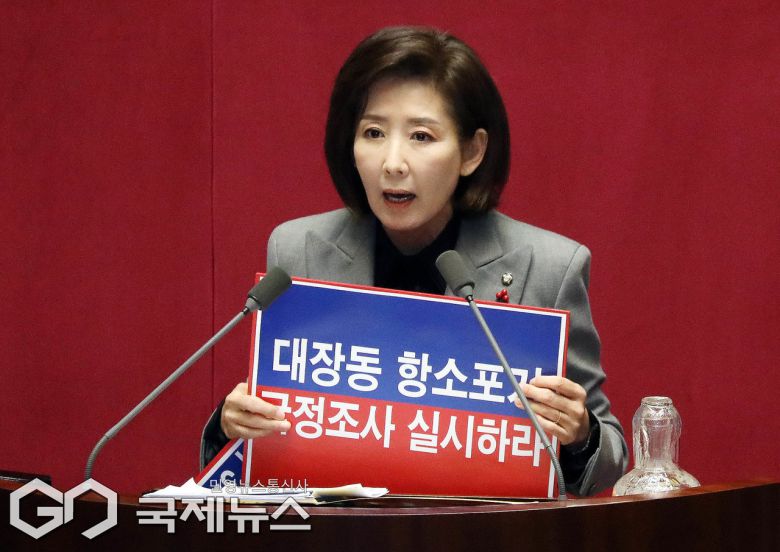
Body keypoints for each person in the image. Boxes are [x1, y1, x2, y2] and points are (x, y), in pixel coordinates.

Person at [201, 26, 628, 496]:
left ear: (471, 151)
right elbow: (272, 442)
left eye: (421, 136)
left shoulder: (549, 265)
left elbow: (609, 461)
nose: (393, 162)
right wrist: (232, 424)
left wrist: (580, 434)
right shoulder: (298, 250)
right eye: (373, 133)